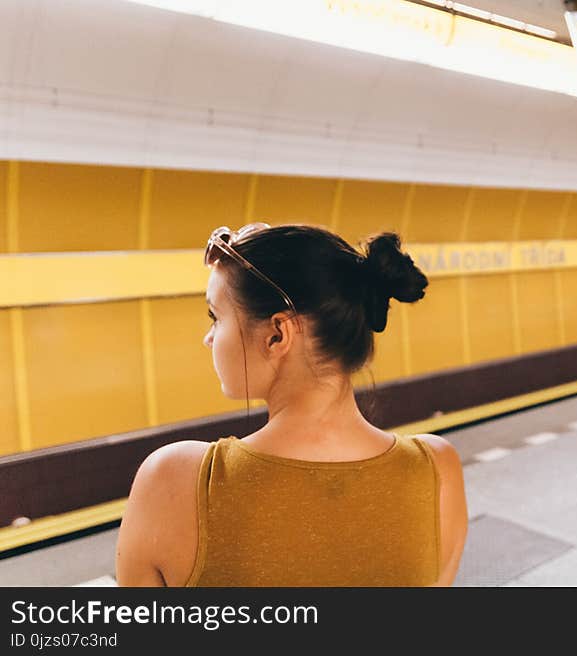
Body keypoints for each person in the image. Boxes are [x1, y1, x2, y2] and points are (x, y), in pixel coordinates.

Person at [115, 222, 468, 586]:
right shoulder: (438, 470)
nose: (208, 339)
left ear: (276, 334)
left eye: (215, 318)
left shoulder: (175, 481)